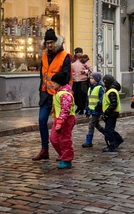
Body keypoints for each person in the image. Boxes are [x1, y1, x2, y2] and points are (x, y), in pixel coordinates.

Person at [32, 29, 72, 161]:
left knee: (59, 125)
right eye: (47, 42)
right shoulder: (44, 56)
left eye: (51, 42)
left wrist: (60, 90)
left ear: (56, 42)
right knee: (42, 120)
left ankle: (62, 152)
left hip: (58, 95)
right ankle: (44, 150)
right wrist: (41, 89)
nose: (49, 45)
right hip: (45, 94)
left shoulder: (65, 56)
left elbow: (66, 76)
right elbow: (42, 74)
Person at [49, 72, 76, 169]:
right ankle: (63, 154)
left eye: (54, 82)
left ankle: (67, 159)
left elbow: (65, 109)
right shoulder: (58, 92)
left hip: (66, 120)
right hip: (59, 119)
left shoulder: (64, 94)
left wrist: (60, 122)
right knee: (54, 139)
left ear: (59, 83)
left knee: (64, 140)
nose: (51, 83)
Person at [101, 74, 124, 152]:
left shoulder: (111, 91)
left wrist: (106, 113)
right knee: (110, 129)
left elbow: (113, 104)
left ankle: (112, 145)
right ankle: (118, 139)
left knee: (108, 130)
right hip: (111, 113)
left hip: (111, 113)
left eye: (103, 81)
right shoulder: (109, 90)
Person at [82, 72, 104, 148]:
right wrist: (87, 110)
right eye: (90, 78)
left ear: (97, 79)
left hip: (97, 110)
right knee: (96, 125)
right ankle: (108, 134)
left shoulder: (100, 88)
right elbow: (88, 100)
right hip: (92, 110)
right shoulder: (90, 88)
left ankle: (89, 141)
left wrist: (99, 105)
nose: (90, 80)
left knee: (91, 124)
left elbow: (102, 98)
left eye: (92, 78)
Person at [71, 47, 92, 115]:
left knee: (82, 95)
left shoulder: (85, 59)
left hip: (83, 81)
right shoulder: (73, 60)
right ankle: (79, 107)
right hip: (75, 80)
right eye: (77, 52)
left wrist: (85, 71)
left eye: (79, 52)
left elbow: (90, 69)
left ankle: (82, 108)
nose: (78, 54)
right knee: (75, 95)